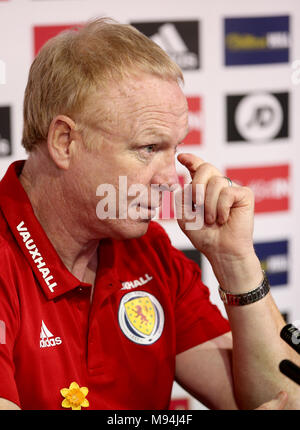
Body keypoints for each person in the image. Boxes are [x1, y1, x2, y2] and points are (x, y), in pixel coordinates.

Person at [0, 18, 299, 411]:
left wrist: (235, 262)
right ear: (65, 141)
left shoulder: (149, 250)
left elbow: (281, 398)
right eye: (148, 148)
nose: (169, 179)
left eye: (173, 150)